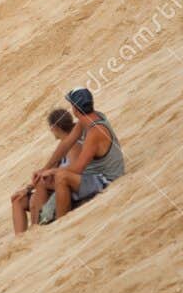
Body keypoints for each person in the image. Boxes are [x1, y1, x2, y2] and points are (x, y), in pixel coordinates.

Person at [32, 88, 126, 225]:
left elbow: (77, 169)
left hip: (107, 178)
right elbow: (66, 144)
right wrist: (44, 169)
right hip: (95, 174)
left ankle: (61, 223)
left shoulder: (95, 132)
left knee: (61, 177)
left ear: (76, 109)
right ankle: (41, 222)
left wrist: (53, 171)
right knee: (43, 179)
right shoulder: (88, 119)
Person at [11, 107, 78, 235]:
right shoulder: (63, 144)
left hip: (62, 188)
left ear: (55, 128)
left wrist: (51, 174)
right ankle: (20, 239)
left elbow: (76, 169)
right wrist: (27, 189)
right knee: (17, 200)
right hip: (51, 187)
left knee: (40, 185)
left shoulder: (73, 145)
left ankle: (36, 229)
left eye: (51, 128)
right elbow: (48, 167)